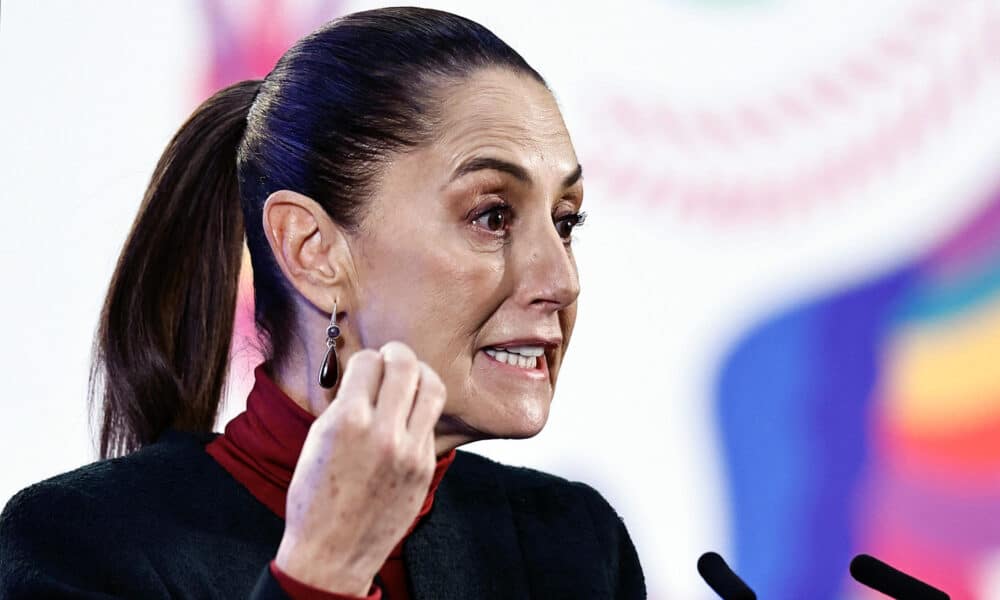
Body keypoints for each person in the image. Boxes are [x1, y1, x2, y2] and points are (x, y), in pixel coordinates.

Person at [0, 7, 645, 599]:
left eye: (566, 221)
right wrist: (324, 573)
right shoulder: (77, 544)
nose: (562, 280)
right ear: (311, 250)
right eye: (493, 215)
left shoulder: (575, 550)